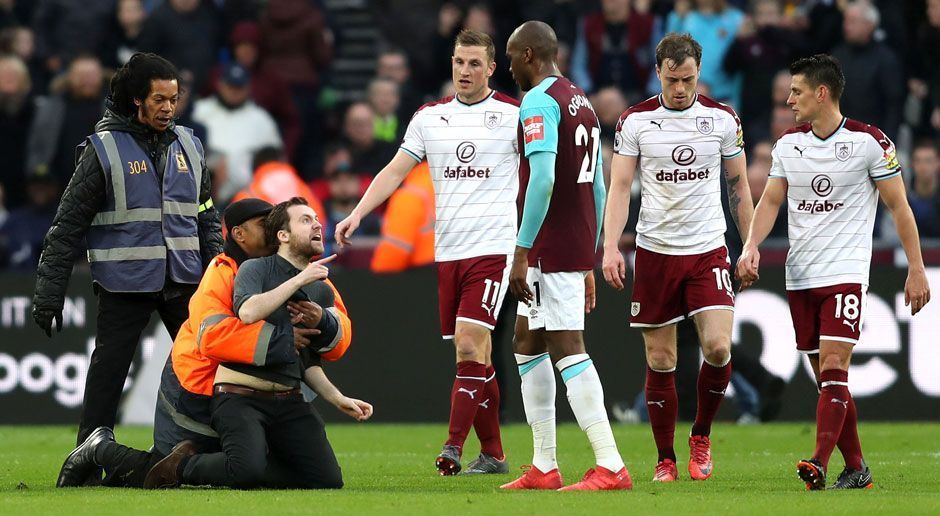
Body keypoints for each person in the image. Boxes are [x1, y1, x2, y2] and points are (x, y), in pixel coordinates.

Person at [56, 198, 361, 489]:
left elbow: (337, 338)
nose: (271, 228)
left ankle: (150, 460)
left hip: (259, 394)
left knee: (248, 468)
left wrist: (322, 321)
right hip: (197, 391)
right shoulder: (223, 271)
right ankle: (101, 449)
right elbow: (213, 336)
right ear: (239, 234)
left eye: (275, 222)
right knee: (165, 470)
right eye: (263, 223)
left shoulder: (296, 271)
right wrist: (284, 340)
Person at [737, 54, 931, 490]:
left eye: (796, 92)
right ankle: (857, 468)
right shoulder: (789, 144)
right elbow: (770, 202)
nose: (788, 100)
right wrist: (751, 245)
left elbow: (899, 207)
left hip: (844, 272)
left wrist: (916, 268)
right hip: (799, 275)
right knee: (826, 376)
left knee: (834, 365)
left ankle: (819, 462)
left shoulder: (870, 142)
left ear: (821, 93)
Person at [335, 29, 520, 476]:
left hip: (495, 248)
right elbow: (395, 171)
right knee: (475, 356)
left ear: (491, 68)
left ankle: (453, 447)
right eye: (459, 62)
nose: (465, 70)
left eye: (475, 63)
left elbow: (543, 176)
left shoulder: (514, 115)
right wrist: (358, 214)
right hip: (449, 252)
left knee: (470, 344)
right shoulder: (429, 118)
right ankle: (494, 455)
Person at [32, 52, 224, 446]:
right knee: (109, 373)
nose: (168, 107)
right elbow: (67, 226)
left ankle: (227, 447)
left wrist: (219, 274)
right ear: (137, 98)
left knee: (211, 363)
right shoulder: (101, 150)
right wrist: (49, 294)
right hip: (126, 283)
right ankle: (86, 457)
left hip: (185, 278)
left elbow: (205, 215)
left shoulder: (191, 144)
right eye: (159, 99)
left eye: (173, 99)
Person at [602, 33, 754, 483]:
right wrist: (611, 246)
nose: (681, 88)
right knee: (662, 359)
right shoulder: (635, 121)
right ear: (658, 72)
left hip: (708, 248)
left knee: (718, 346)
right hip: (655, 251)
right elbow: (620, 188)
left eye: (688, 79)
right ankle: (665, 458)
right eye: (673, 79)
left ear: (699, 72)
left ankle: (701, 436)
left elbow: (739, 186)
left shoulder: (723, 120)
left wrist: (748, 245)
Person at [144, 197, 366, 490]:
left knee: (326, 480)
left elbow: (313, 357)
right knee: (244, 470)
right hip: (223, 394)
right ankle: (182, 465)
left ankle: (249, 462)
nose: (316, 224)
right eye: (265, 224)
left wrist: (337, 395)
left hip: (287, 397)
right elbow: (232, 322)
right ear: (241, 234)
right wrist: (287, 329)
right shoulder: (241, 270)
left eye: (316, 218)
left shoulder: (319, 286)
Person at [501, 21, 631, 492]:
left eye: (513, 56)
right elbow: (596, 184)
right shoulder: (581, 101)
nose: (509, 65)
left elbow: (543, 180)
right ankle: (544, 464)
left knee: (567, 346)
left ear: (531, 55)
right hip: (572, 244)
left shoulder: (538, 101)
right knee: (527, 342)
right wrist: (590, 254)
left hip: (547, 246)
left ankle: (611, 465)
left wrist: (521, 250)